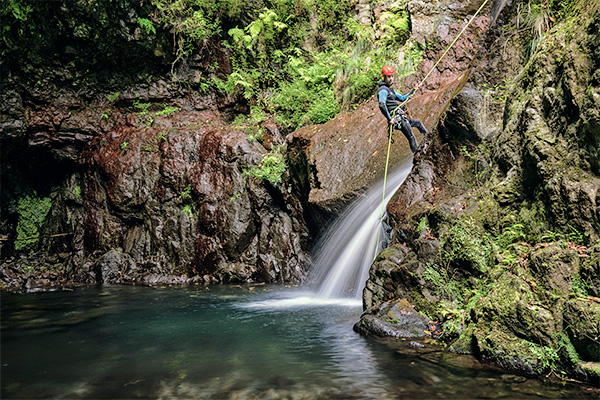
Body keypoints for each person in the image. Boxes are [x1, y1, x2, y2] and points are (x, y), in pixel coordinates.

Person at [377, 65, 428, 153]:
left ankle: (429, 139)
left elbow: (403, 98)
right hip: (397, 118)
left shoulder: (391, 91)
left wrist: (415, 89)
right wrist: (390, 119)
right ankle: (417, 156)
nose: (391, 79)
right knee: (411, 136)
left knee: (418, 123)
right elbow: (382, 105)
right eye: (389, 76)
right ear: (384, 77)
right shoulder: (383, 90)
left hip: (401, 116)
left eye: (392, 76)